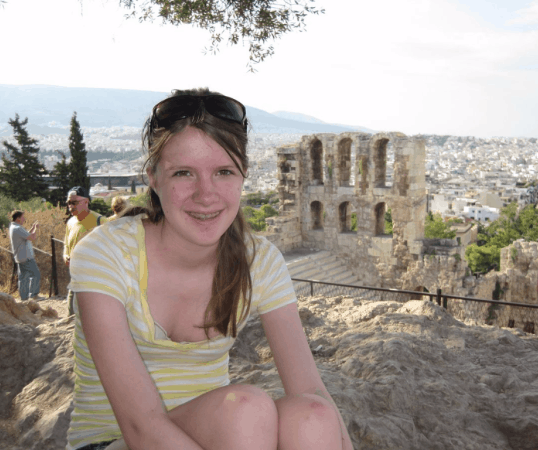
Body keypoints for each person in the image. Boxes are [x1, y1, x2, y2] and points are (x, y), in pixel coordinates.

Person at [66, 88, 353, 450]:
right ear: (153, 177)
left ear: (244, 174)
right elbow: (141, 427)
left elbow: (310, 388)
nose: (206, 194)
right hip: (114, 441)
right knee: (245, 408)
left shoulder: (258, 261)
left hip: (222, 438)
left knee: (314, 415)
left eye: (223, 172)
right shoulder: (106, 253)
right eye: (184, 173)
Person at [63, 186, 106, 314]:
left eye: (74, 202)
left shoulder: (100, 221)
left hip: (95, 280)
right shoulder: (70, 222)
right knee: (71, 313)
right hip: (75, 278)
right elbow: (66, 244)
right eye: (69, 203)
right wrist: (65, 256)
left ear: (86, 201)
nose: (71, 206)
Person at [8, 210, 43, 301]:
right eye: (23, 217)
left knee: (23, 278)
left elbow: (26, 235)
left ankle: (24, 297)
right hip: (26, 257)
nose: (24, 219)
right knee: (36, 274)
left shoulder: (14, 227)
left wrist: (31, 228)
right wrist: (35, 228)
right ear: (18, 218)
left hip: (20, 257)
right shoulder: (18, 228)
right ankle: (34, 295)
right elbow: (32, 237)